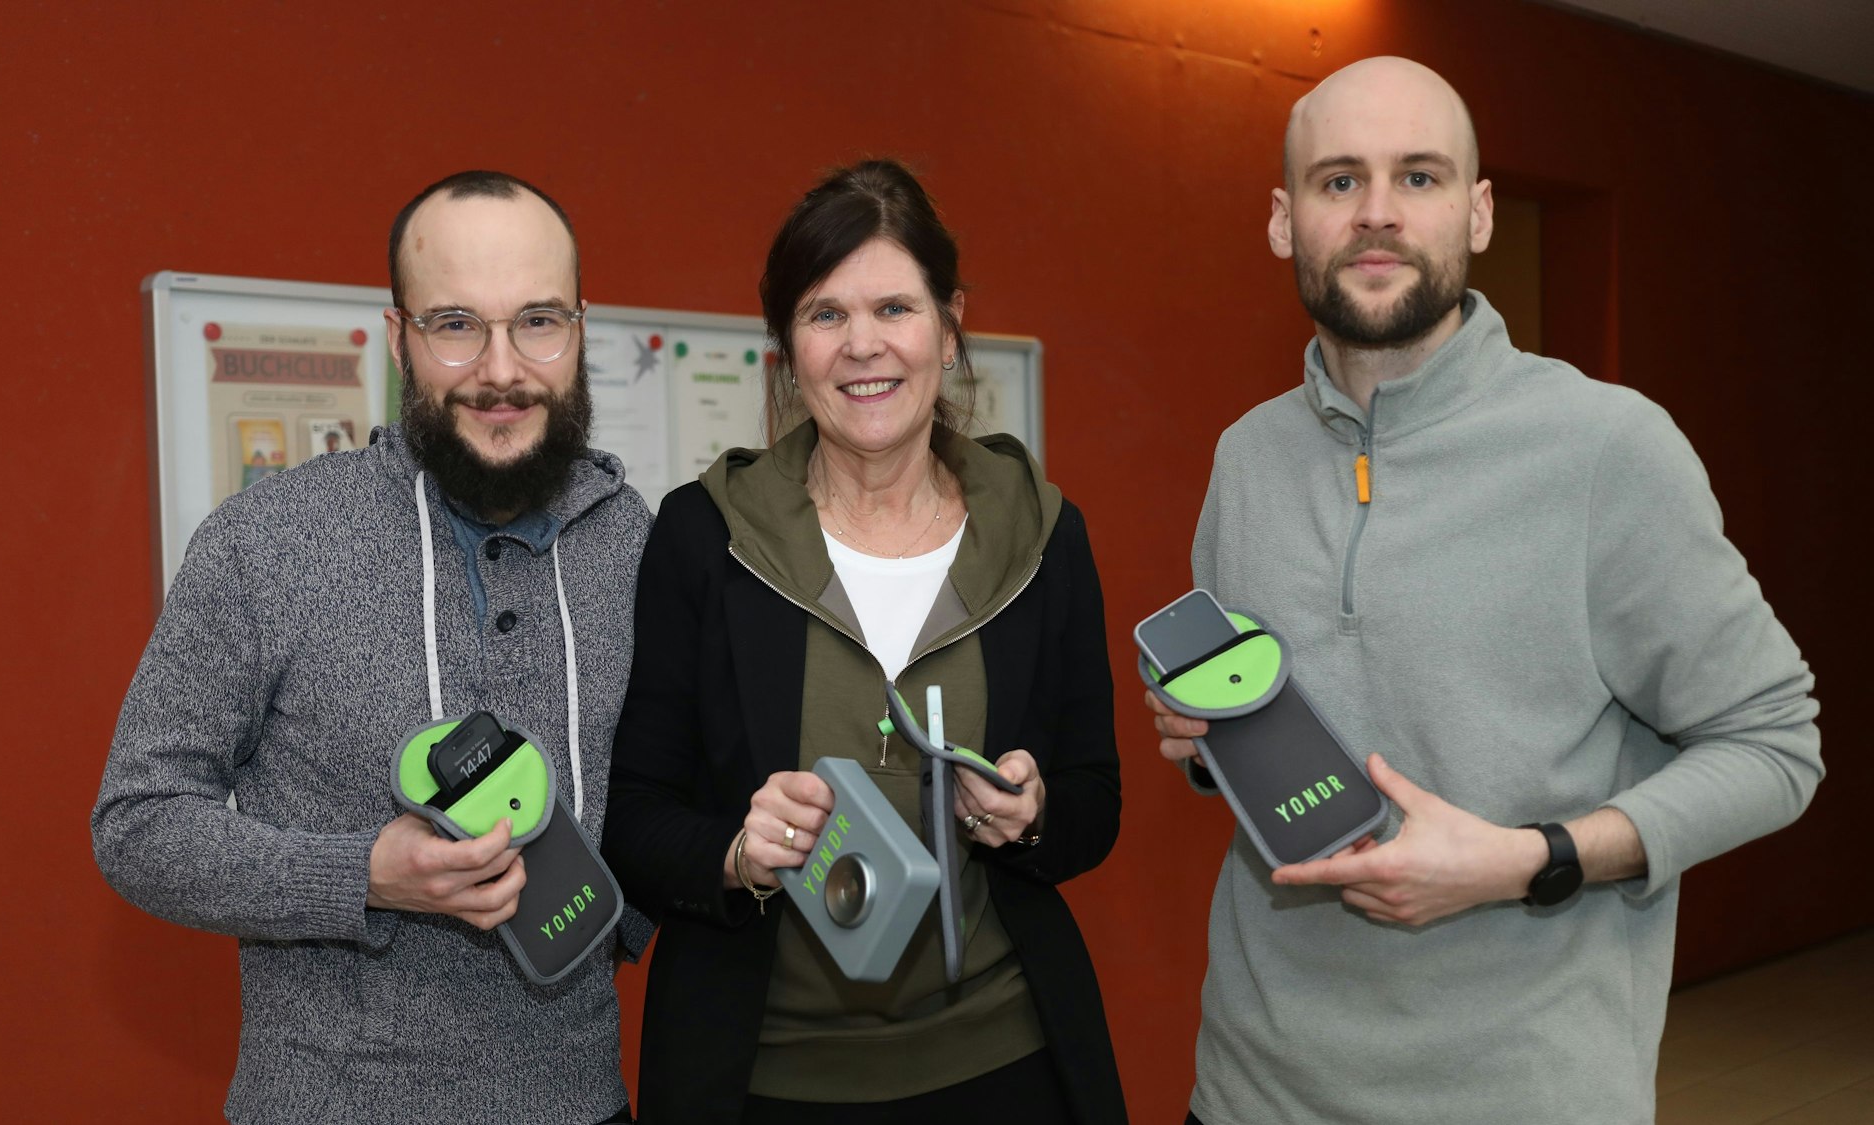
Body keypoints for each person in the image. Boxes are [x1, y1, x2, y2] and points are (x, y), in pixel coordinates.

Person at [1147, 57, 1822, 1125]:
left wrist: (1528, 860)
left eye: (1417, 178)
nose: (1376, 214)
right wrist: (1208, 746)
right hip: (1250, 1092)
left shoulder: (1608, 450)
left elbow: (1775, 746)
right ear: (1282, 221)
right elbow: (1292, 722)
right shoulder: (1247, 458)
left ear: (1478, 211)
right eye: (1336, 182)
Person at [93, 170, 651, 1124]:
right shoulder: (266, 540)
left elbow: (658, 805)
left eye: (538, 321)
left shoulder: (636, 544)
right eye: (456, 324)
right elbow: (138, 823)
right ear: (398, 338)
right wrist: (363, 875)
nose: (502, 369)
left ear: (580, 331)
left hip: (582, 1100)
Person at [604, 160, 1127, 1125]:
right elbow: (633, 814)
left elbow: (1098, 798)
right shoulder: (702, 535)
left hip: (1005, 1061)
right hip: (763, 1075)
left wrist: (1037, 810)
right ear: (786, 346)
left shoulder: (1044, 533)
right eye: (824, 314)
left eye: (894, 306)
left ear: (949, 321)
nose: (863, 346)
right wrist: (734, 851)